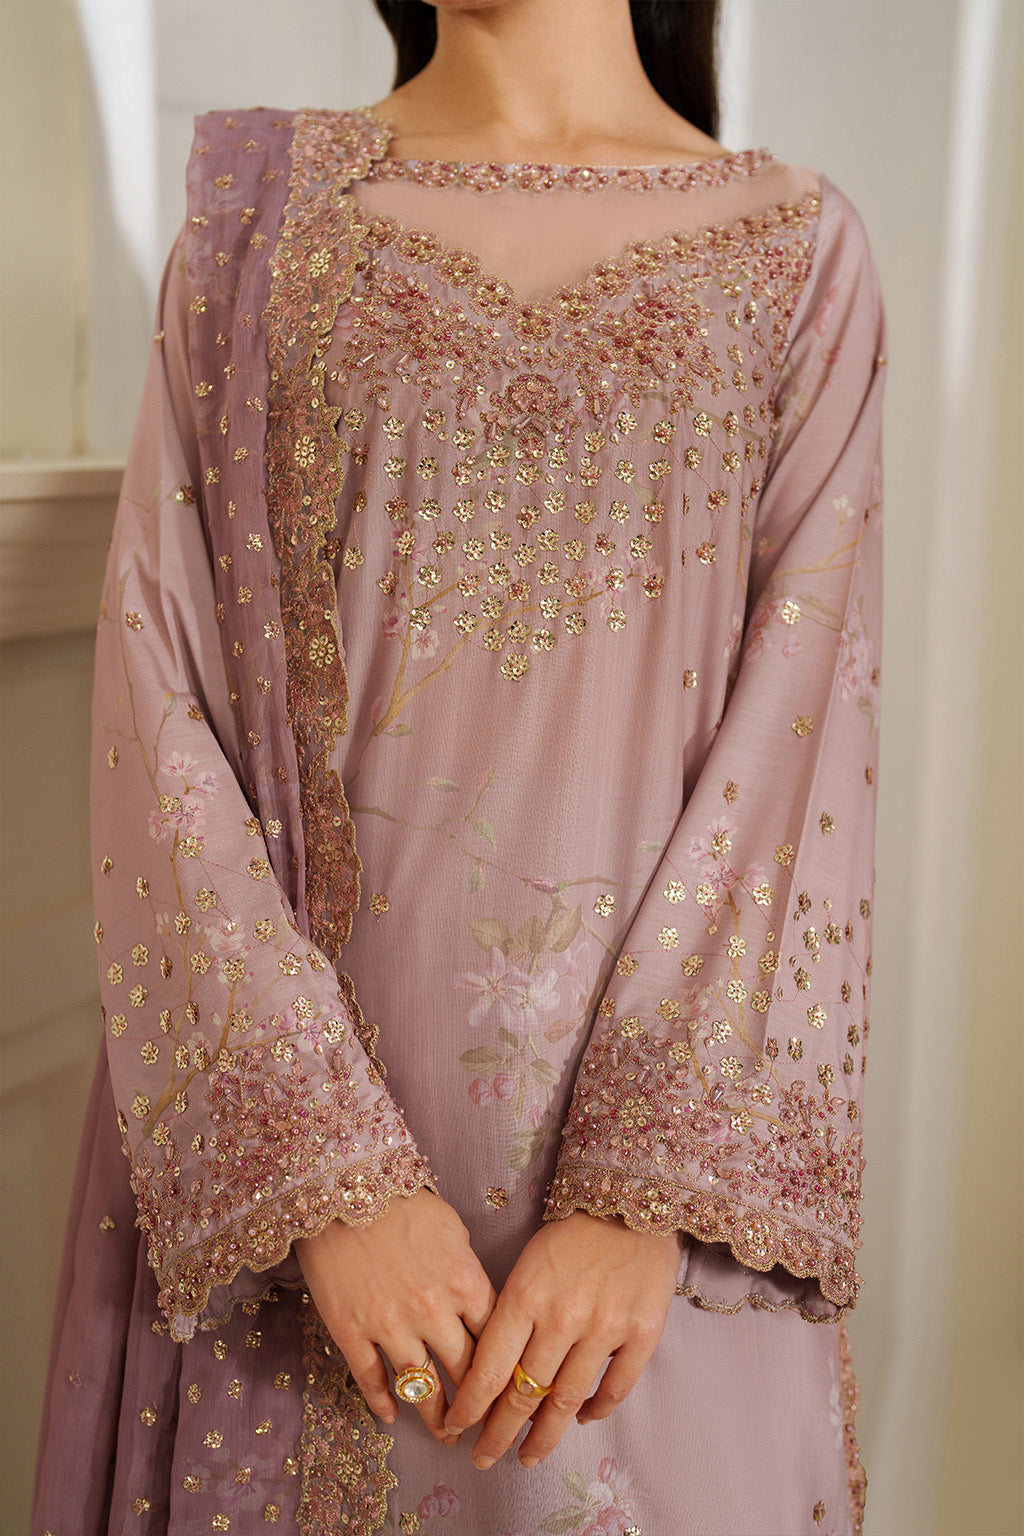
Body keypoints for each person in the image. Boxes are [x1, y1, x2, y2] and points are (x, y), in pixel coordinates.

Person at [32, 1, 886, 1531]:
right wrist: (328, 1185)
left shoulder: (797, 251)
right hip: (319, 1226)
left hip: (647, 1261)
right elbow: (160, 697)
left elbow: (806, 744)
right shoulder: (256, 228)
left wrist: (643, 1202)